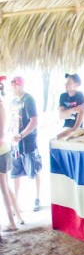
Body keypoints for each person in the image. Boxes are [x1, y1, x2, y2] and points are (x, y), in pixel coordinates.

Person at [9, 76, 42, 212]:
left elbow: (34, 121)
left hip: (28, 142)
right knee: (15, 173)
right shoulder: (12, 102)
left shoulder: (29, 99)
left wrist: (22, 135)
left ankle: (37, 197)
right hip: (15, 144)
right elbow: (12, 121)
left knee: (34, 169)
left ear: (19, 85)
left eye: (14, 86)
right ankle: (16, 203)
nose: (12, 89)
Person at [0, 78, 24, 232]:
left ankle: (12, 223)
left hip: (1, 150)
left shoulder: (1, 106)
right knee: (6, 187)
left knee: (4, 188)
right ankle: (19, 217)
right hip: (4, 149)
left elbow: (1, 132)